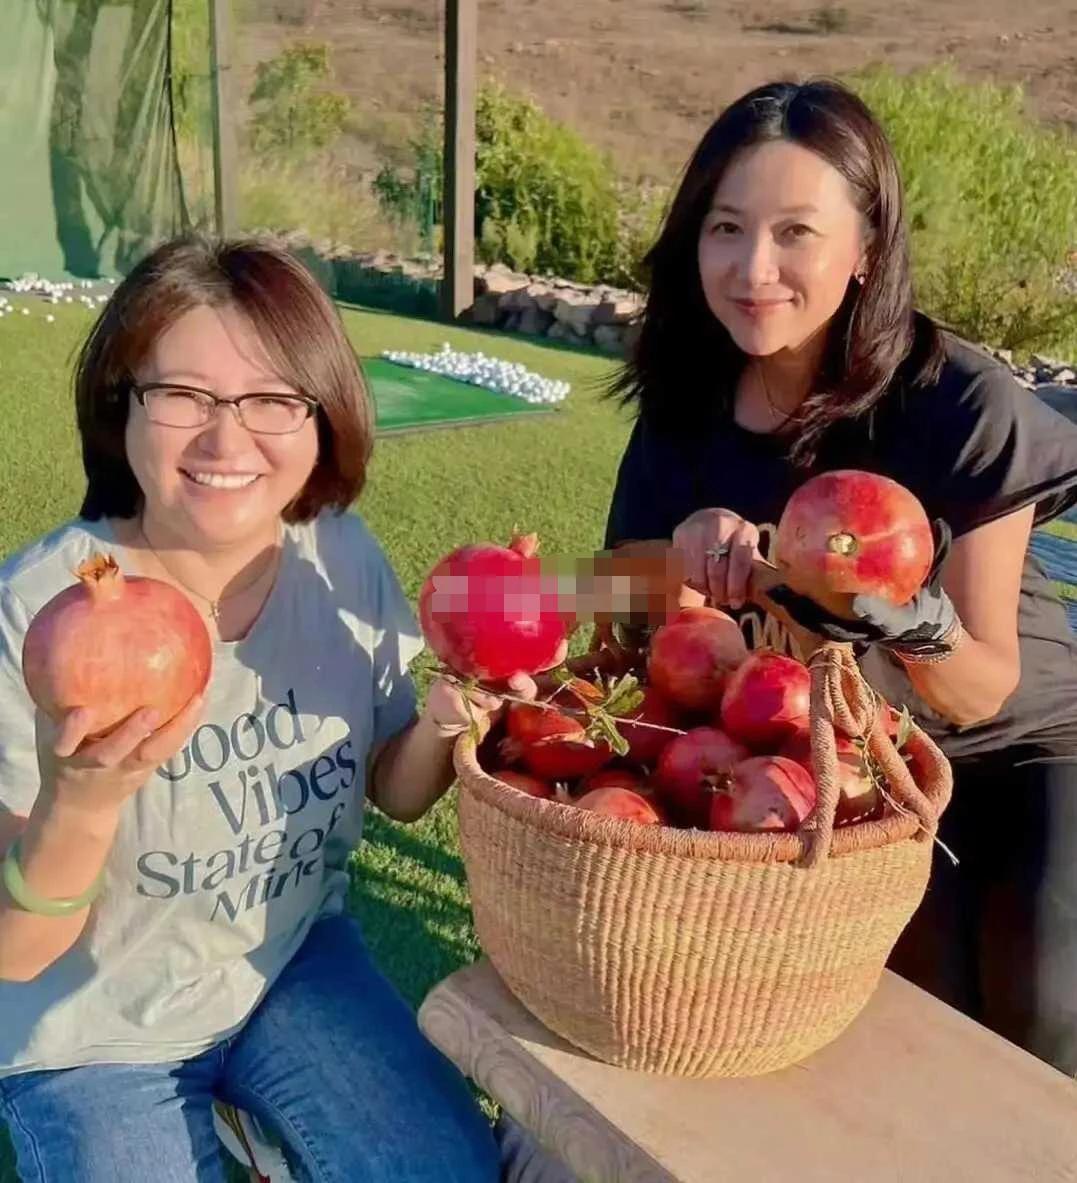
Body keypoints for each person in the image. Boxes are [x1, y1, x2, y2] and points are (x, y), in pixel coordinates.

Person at [0, 235, 550, 1181]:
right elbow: (18, 949)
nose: (226, 440)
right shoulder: (41, 613)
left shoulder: (339, 557)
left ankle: (259, 1123)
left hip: (287, 963)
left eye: (270, 399)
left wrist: (444, 720)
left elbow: (395, 790)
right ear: (120, 402)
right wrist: (83, 800)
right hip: (91, 1024)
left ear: (321, 415)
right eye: (181, 395)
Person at [603, 79, 1077, 1076]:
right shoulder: (685, 407)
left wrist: (904, 615)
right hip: (848, 749)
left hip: (1022, 740)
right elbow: (612, 599)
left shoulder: (960, 403)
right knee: (901, 1025)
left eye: (796, 233)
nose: (753, 268)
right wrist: (681, 555)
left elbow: (982, 677)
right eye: (726, 227)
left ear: (865, 250)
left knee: (1040, 1016)